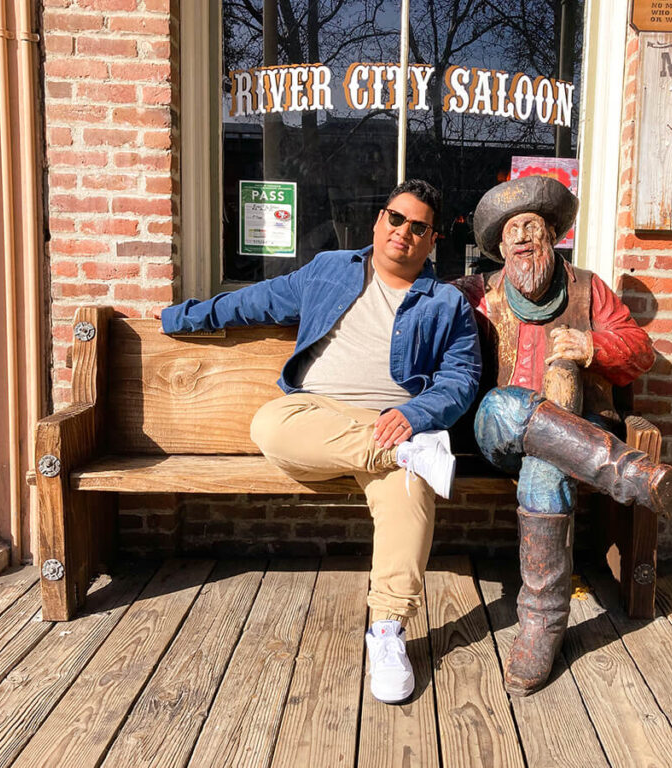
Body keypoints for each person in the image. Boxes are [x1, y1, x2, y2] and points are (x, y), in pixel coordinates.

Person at [161, 180, 482, 704]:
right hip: (316, 417)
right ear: (379, 222)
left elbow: (462, 377)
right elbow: (255, 302)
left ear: (432, 241)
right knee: (269, 423)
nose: (403, 232)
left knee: (410, 491)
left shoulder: (445, 302)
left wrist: (415, 413)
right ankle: (406, 456)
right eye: (395, 219)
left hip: (391, 422)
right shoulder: (329, 270)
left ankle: (387, 630)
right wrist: (180, 317)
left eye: (418, 227)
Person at [455, 175, 672, 696]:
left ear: (553, 234)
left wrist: (592, 346)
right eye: (512, 231)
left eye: (532, 227)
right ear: (497, 247)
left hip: (573, 441)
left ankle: (541, 622)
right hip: (501, 439)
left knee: (549, 456)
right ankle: (634, 474)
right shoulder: (479, 294)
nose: (522, 238)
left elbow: (640, 351)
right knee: (503, 404)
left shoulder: (587, 287)